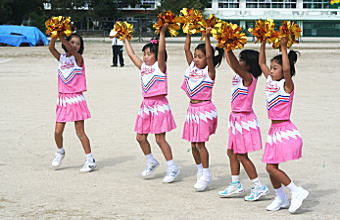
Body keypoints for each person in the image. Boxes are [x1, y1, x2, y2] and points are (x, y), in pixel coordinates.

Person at [123, 24, 180, 183]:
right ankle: (151, 161)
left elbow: (161, 50)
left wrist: (162, 32)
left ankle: (172, 167)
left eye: (149, 54)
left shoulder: (160, 67)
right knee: (140, 137)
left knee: (159, 138)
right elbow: (131, 54)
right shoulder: (143, 67)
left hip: (159, 105)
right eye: (144, 54)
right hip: (146, 105)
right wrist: (125, 39)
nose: (145, 57)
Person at [259, 38, 309, 213]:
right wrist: (263, 41)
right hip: (273, 130)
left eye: (275, 68)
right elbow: (260, 62)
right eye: (271, 68)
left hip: (284, 129)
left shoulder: (287, 85)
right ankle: (281, 198)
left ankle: (296, 191)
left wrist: (283, 47)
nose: (271, 71)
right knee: (272, 167)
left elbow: (287, 69)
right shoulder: (270, 81)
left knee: (270, 167)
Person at [218, 48, 269, 201]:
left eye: (242, 60)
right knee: (231, 152)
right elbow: (231, 62)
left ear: (248, 65)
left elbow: (234, 65)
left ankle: (258, 186)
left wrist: (228, 48)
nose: (239, 63)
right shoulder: (238, 75)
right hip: (235, 119)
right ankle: (235, 184)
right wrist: (225, 47)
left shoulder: (249, 78)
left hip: (244, 120)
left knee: (242, 155)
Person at [181, 29, 224, 191]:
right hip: (192, 109)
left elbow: (208, 56)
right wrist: (188, 31)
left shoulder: (209, 72)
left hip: (204, 109)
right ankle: (200, 170)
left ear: (208, 58)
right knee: (193, 145)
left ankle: (206, 174)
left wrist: (207, 37)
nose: (196, 59)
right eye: (195, 56)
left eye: (200, 57)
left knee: (200, 144)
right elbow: (186, 49)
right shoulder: (192, 67)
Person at [48, 33, 96, 172]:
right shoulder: (61, 58)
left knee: (80, 131)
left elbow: (72, 50)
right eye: (72, 42)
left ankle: (90, 159)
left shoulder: (79, 59)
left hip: (76, 99)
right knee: (58, 131)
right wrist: (54, 34)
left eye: (78, 43)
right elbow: (51, 48)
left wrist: (62, 36)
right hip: (63, 99)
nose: (74, 45)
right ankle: (60, 151)